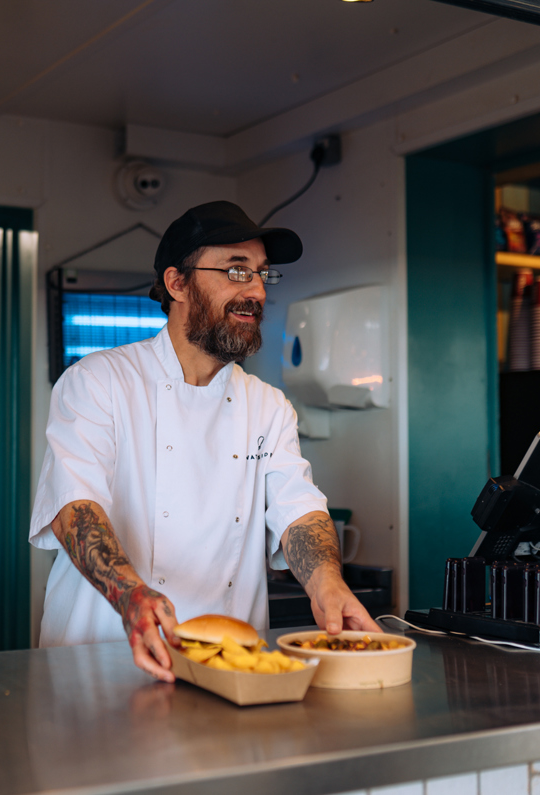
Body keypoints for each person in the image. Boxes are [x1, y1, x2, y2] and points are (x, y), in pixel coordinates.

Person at [28, 201, 378, 682]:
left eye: (261, 274)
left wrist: (327, 585)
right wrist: (131, 593)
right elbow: (76, 506)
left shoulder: (268, 405)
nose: (255, 290)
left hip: (228, 669)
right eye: (236, 271)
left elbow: (298, 511)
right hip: (100, 659)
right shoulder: (98, 382)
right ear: (177, 283)